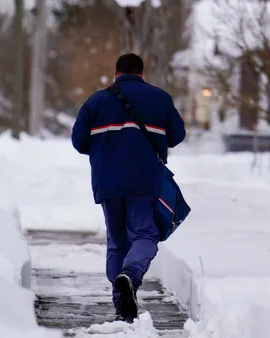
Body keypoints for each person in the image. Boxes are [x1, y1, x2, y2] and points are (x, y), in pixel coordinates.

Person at [71, 53, 186, 322]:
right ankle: (130, 276)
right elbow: (177, 136)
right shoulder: (160, 98)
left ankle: (121, 303)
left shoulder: (96, 101)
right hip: (145, 181)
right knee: (145, 235)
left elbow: (79, 142)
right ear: (141, 73)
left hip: (107, 182)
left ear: (116, 74)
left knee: (117, 242)